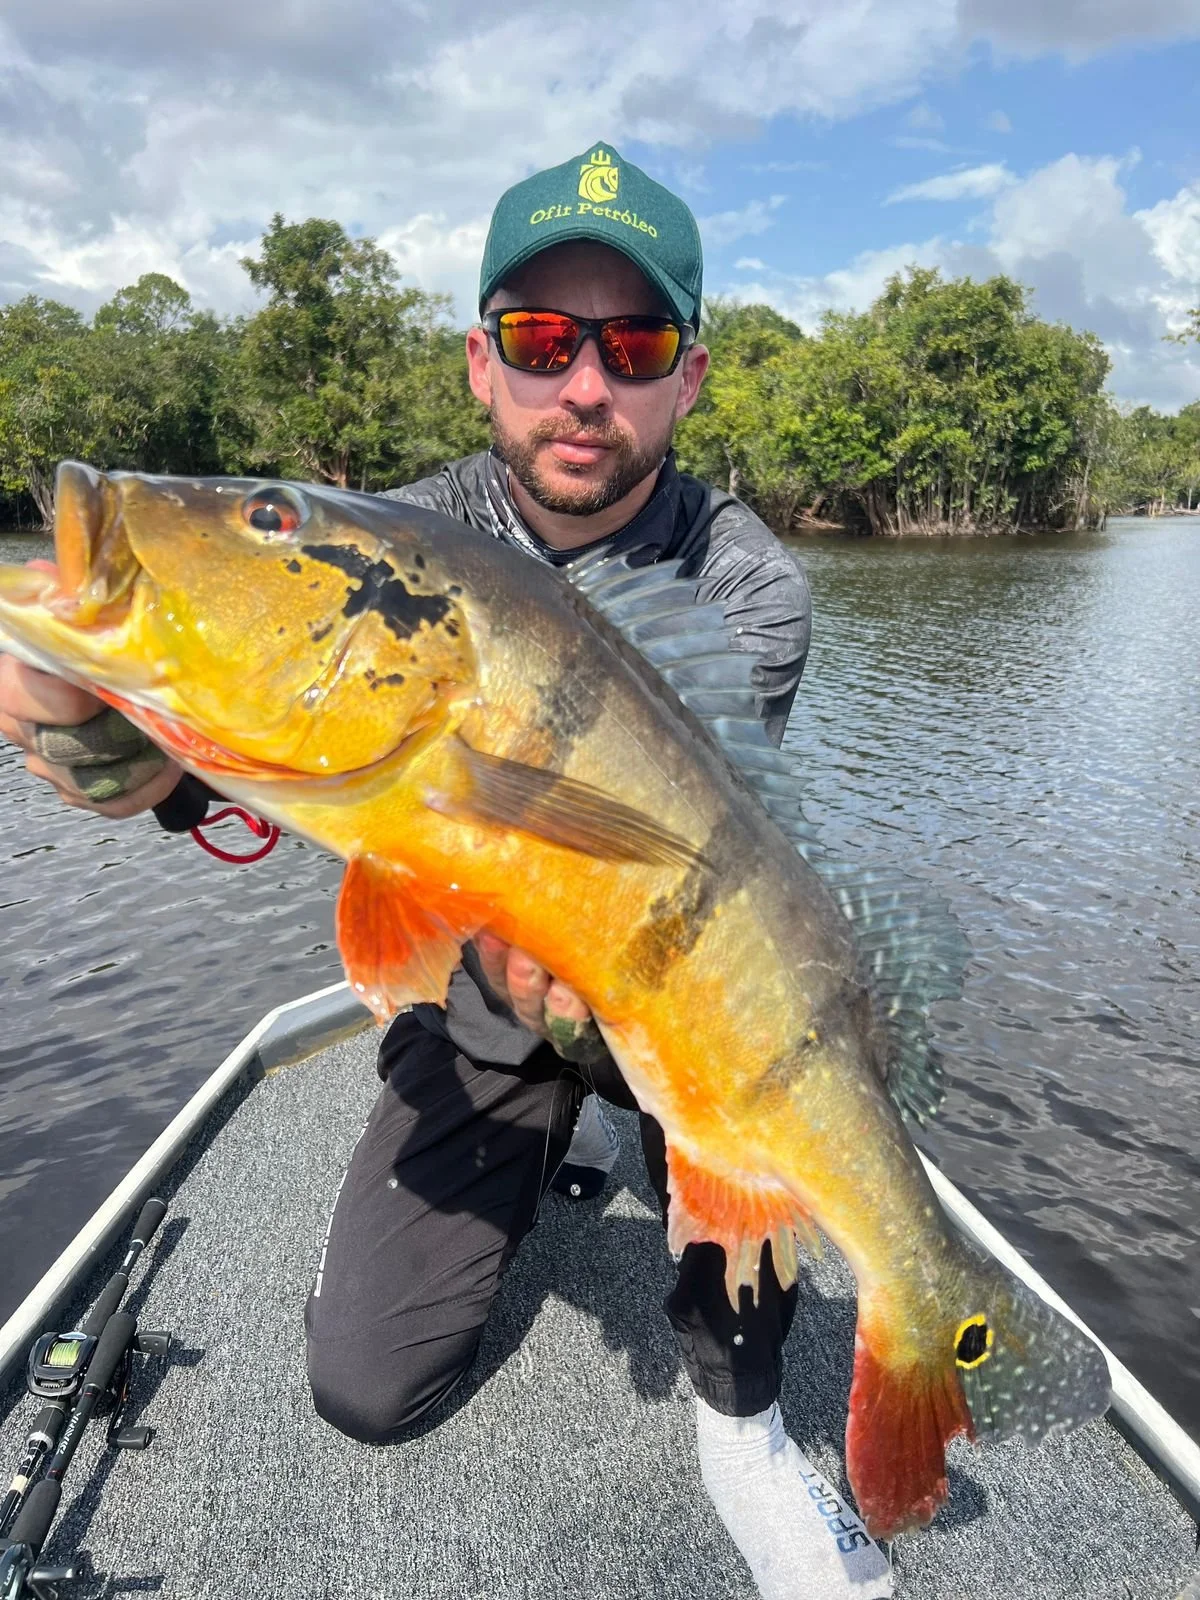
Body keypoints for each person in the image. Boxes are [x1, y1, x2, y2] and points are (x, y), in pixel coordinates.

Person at [0, 144, 892, 1599]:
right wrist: (126, 743)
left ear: (691, 378)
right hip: (483, 990)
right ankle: (558, 1140)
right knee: (365, 1386)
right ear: (482, 365)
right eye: (542, 342)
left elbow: (697, 879)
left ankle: (742, 1428)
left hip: (669, 993)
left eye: (634, 344)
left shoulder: (747, 584)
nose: (584, 386)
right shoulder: (399, 541)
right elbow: (264, 735)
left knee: (734, 1107)